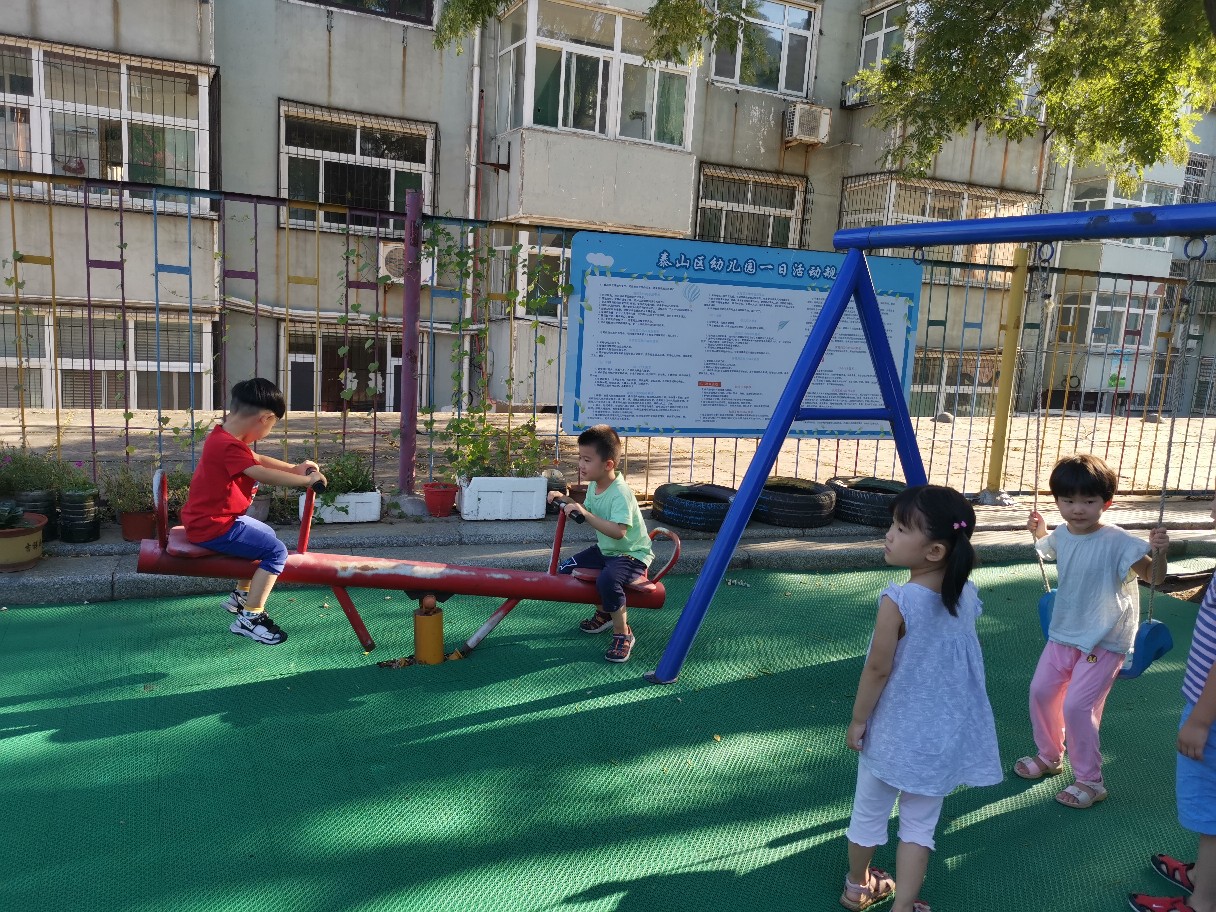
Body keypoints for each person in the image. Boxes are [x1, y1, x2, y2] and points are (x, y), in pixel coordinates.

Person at [841, 485, 1001, 912]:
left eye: (900, 528)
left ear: (934, 551)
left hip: (891, 732)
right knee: (918, 826)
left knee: (869, 812)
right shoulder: (966, 595)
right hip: (939, 739)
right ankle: (903, 905)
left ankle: (857, 886)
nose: (889, 534)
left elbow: (877, 669)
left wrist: (858, 719)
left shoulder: (898, 601)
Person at [1015, 453, 1169, 808]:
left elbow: (1155, 577)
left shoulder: (1118, 541)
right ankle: (1050, 755)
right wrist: (1039, 531)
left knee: (1077, 707)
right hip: (1065, 632)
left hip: (1106, 638)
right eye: (1068, 501)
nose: (1077, 509)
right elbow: (1047, 547)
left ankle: (1090, 780)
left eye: (1088, 501)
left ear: (1106, 502)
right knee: (1041, 692)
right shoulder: (1063, 534)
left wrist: (1160, 553)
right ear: (1058, 501)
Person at [180, 378, 326, 646]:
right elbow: (259, 471)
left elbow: (257, 459)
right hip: (214, 526)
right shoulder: (228, 446)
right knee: (276, 552)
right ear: (265, 418)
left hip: (213, 520)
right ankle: (251, 617)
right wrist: (305, 480)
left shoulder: (223, 437)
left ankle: (242, 595)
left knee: (265, 534)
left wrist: (294, 468)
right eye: (272, 425)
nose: (268, 431)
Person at [1127, 494, 1216, 912]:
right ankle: (1203, 877)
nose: (1213, 509)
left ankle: (1203, 901)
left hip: (1210, 713)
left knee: (1211, 813)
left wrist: (1200, 719)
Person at [547, 424, 652, 664]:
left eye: (587, 460)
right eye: (580, 458)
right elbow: (586, 510)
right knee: (566, 568)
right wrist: (564, 499)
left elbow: (618, 532)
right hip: (607, 551)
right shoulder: (595, 485)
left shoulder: (620, 493)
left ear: (608, 465)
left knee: (607, 579)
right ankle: (605, 611)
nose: (581, 465)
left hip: (631, 554)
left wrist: (585, 514)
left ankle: (623, 633)